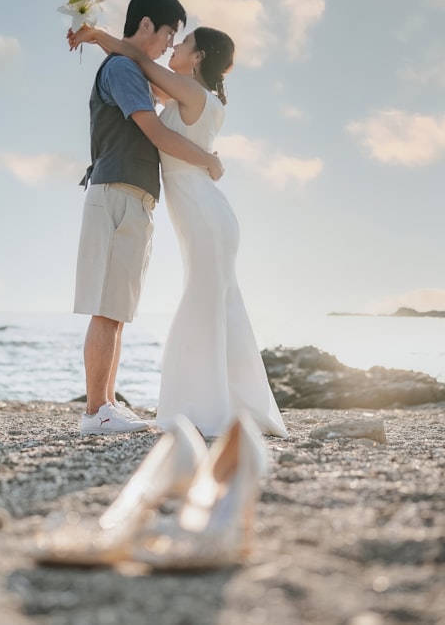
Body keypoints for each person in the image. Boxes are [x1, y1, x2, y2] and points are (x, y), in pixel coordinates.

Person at [70, 23, 288, 438]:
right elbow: (133, 73)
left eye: (184, 43)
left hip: (206, 216)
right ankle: (222, 404)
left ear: (200, 57)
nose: (176, 46)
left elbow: (139, 62)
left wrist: (97, 35)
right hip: (204, 216)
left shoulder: (191, 94)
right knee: (217, 305)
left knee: (204, 304)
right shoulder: (183, 94)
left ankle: (203, 409)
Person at [72, 0, 225, 436]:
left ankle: (106, 404)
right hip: (116, 189)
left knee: (116, 307)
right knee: (105, 305)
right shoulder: (121, 70)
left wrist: (99, 36)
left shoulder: (131, 67)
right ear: (146, 26)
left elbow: (160, 86)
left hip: (133, 192)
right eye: (168, 33)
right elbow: (154, 131)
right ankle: (96, 409)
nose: (168, 44)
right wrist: (208, 160)